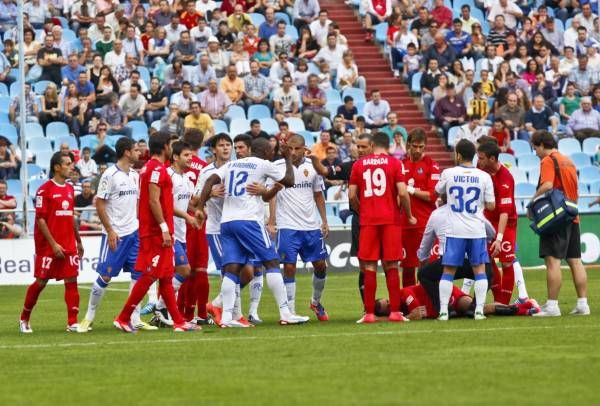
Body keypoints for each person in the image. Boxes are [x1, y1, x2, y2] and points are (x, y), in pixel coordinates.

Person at [196, 137, 310, 327]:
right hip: (249, 221)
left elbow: (210, 180)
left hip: (227, 222)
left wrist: (200, 206)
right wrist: (288, 159)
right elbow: (289, 181)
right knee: (272, 262)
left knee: (232, 269)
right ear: (266, 152)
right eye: (271, 151)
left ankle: (226, 318)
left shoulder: (231, 165)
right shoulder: (263, 164)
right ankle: (286, 313)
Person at [114, 131, 200, 332]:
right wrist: (163, 228)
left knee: (166, 276)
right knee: (150, 274)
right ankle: (123, 317)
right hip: (155, 232)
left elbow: (161, 202)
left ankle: (178, 321)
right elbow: (153, 200)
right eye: (172, 144)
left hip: (159, 230)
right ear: (165, 146)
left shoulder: (152, 168)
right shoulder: (154, 169)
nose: (174, 148)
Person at [77, 138, 157, 332]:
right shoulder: (109, 175)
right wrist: (111, 230)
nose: (140, 153)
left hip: (134, 234)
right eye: (136, 150)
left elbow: (137, 203)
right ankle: (88, 317)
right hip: (116, 235)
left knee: (138, 275)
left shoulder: (135, 175)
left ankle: (134, 318)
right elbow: (100, 204)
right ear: (127, 152)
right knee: (105, 276)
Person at [259, 135, 330, 320]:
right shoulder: (278, 167)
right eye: (289, 148)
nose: (293, 152)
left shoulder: (312, 167)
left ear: (304, 149)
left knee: (321, 266)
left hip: (311, 226)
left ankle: (315, 302)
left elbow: (318, 195)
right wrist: (272, 220)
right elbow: (272, 195)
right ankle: (289, 311)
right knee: (289, 267)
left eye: (297, 149)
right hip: (287, 225)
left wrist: (324, 220)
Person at [348, 132, 415, 323]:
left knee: (369, 266)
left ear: (372, 145)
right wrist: (408, 215)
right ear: (387, 146)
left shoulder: (358, 165)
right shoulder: (395, 163)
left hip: (368, 221)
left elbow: (352, 196)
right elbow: (402, 192)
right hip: (390, 220)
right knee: (392, 265)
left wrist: (364, 211)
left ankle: (369, 314)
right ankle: (395, 312)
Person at [198, 134, 265, 325]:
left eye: (229, 145)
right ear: (214, 150)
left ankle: (218, 304)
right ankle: (235, 315)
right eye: (222, 145)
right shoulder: (206, 172)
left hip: (239, 228)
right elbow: (194, 200)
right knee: (229, 271)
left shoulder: (239, 167)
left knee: (248, 272)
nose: (227, 148)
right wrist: (209, 193)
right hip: (217, 229)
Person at [20, 152, 84, 333]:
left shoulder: (70, 189)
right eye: (68, 164)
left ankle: (72, 322)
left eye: (71, 163)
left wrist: (78, 240)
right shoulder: (44, 190)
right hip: (48, 245)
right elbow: (40, 220)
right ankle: (24, 318)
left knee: (72, 280)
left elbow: (71, 216)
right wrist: (54, 244)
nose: (72, 167)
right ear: (57, 167)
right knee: (41, 282)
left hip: (69, 243)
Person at [530, 130, 590, 317]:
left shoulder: (548, 161)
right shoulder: (568, 160)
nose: (535, 152)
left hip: (556, 218)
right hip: (572, 214)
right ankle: (582, 304)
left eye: (535, 147)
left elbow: (547, 185)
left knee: (552, 261)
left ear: (541, 144)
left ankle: (552, 306)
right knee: (575, 261)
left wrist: (532, 202)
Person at [434, 139, 495, 321]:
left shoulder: (449, 173)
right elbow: (491, 205)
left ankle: (444, 311)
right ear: (474, 156)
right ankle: (479, 311)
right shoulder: (484, 176)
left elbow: (437, 190)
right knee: (479, 269)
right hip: (476, 230)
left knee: (449, 270)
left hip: (455, 230)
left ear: (458, 155)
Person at [152, 141, 201, 326]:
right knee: (183, 270)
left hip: (180, 234)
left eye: (191, 155)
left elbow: (188, 203)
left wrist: (200, 206)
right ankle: (159, 307)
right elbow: (166, 206)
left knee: (172, 273)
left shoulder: (186, 178)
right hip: (168, 232)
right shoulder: (168, 176)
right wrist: (188, 217)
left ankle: (162, 310)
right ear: (175, 157)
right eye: (186, 155)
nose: (190, 159)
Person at [475, 140, 529, 305]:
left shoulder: (506, 177)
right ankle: (498, 299)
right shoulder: (481, 169)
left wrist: (499, 238)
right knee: (486, 259)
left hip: (506, 223)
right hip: (486, 221)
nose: (479, 161)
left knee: (506, 262)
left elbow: (504, 212)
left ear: (492, 159)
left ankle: (503, 302)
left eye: (482, 158)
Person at [400, 129, 440, 287]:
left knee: (426, 266)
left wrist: (409, 190)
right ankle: (409, 300)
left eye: (421, 147)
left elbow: (432, 196)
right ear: (408, 144)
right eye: (415, 146)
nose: (417, 150)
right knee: (407, 267)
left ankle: (427, 299)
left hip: (425, 223)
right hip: (404, 223)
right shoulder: (400, 165)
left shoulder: (432, 165)